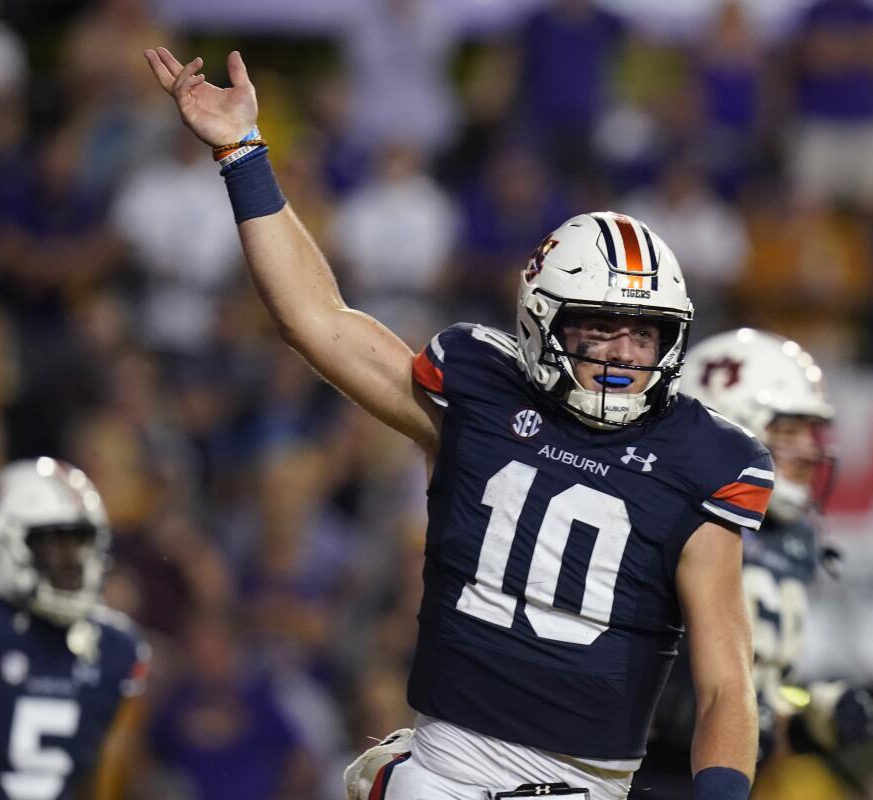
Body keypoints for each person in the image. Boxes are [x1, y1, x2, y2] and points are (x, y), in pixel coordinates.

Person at [143, 47, 769, 800]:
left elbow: (728, 687)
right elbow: (318, 323)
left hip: (588, 785)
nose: (623, 354)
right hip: (445, 771)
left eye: (644, 333)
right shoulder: (479, 391)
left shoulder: (701, 455)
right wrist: (242, 151)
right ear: (545, 322)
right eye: (600, 328)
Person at [630, 328, 873, 798]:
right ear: (729, 428)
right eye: (786, 431)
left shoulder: (793, 539)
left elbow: (746, 704)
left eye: (809, 432)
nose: (807, 450)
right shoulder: (665, 521)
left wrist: (801, 720)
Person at [0, 457, 150, 800]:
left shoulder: (115, 648)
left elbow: (108, 778)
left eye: (80, 544)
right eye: (52, 544)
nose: (72, 562)